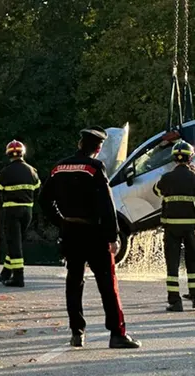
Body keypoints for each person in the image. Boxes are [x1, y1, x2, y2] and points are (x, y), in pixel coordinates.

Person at [38, 127, 141, 349]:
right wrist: (113, 236)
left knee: (74, 283)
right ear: (99, 148)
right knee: (107, 284)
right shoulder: (95, 168)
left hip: (70, 233)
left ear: (79, 144)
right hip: (95, 234)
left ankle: (77, 332)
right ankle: (116, 333)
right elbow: (107, 204)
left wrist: (62, 221)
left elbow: (44, 201)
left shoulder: (58, 168)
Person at [153, 140, 195, 312]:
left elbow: (157, 191)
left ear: (174, 159)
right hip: (191, 228)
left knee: (172, 264)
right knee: (193, 262)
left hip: (171, 228)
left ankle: (175, 301)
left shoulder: (166, 178)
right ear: (190, 158)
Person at [0, 140, 41, 287]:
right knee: (16, 243)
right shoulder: (32, 170)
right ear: (23, 153)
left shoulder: (6, 171)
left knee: (14, 243)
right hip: (28, 212)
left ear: (8, 154)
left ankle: (18, 277)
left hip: (11, 211)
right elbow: (38, 189)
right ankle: (6, 273)